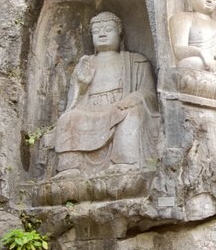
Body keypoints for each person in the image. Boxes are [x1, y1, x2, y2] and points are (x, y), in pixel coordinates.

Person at [53, 12, 157, 177]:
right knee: (69, 118)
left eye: (108, 29)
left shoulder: (136, 61)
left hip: (120, 107)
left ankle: (124, 163)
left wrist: (132, 99)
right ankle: (70, 168)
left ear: (120, 34)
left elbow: (149, 92)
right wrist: (82, 84)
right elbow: (74, 101)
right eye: (96, 31)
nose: (102, 34)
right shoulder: (86, 63)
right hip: (91, 108)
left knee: (133, 112)